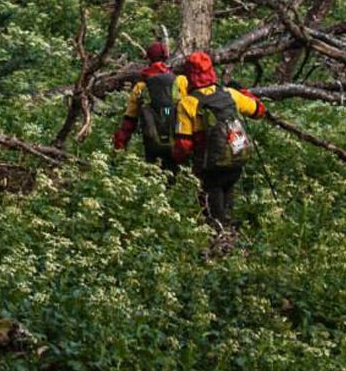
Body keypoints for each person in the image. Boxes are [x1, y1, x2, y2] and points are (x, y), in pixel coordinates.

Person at [170, 50, 266, 240]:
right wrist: (243, 92)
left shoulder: (188, 103)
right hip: (236, 158)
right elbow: (259, 110)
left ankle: (219, 244)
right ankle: (231, 237)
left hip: (209, 166)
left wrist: (175, 163)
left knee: (212, 209)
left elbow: (183, 145)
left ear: (189, 75)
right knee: (227, 197)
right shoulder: (230, 94)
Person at [111, 41, 186, 171]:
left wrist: (119, 147)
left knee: (153, 174)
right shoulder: (180, 82)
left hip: (151, 142)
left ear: (149, 59)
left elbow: (129, 121)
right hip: (176, 141)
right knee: (174, 176)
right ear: (166, 58)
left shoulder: (141, 87)